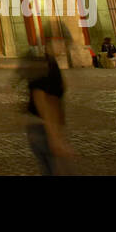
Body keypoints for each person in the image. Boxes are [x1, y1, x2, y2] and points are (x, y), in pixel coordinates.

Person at [21, 24, 75, 174]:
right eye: (64, 42)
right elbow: (42, 100)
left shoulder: (49, 62)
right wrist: (55, 137)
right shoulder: (46, 64)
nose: (65, 47)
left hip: (41, 128)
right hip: (42, 129)